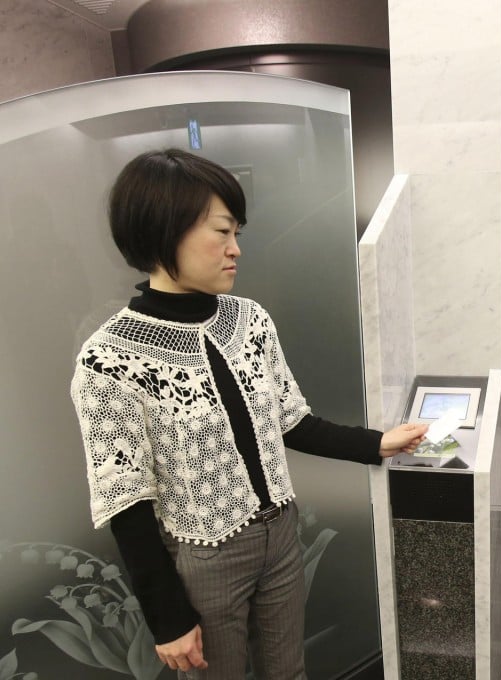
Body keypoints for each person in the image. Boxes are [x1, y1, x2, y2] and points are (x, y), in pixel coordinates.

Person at [69, 148, 427, 679]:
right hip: (205, 556)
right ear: (165, 231)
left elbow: (291, 421)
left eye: (238, 232)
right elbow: (126, 503)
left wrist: (377, 443)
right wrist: (168, 618)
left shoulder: (249, 320)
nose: (236, 249)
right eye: (221, 232)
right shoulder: (110, 359)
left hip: (281, 537)